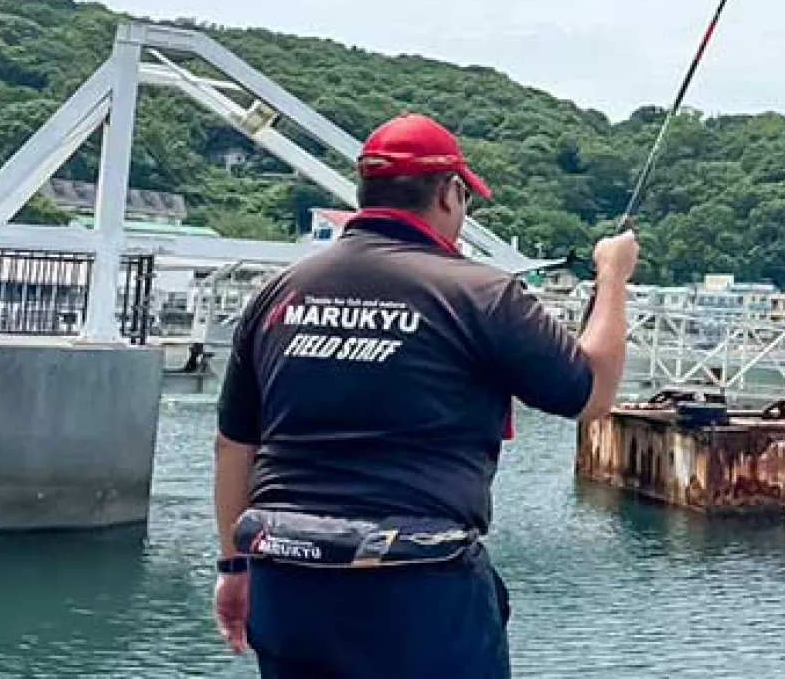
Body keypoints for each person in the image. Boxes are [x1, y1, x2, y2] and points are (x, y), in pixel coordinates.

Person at [211, 112, 637, 678]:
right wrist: (613, 276)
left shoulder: (278, 294)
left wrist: (233, 565)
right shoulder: (483, 294)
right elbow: (592, 393)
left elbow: (232, 446)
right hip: (417, 590)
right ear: (450, 192)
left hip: (287, 577)